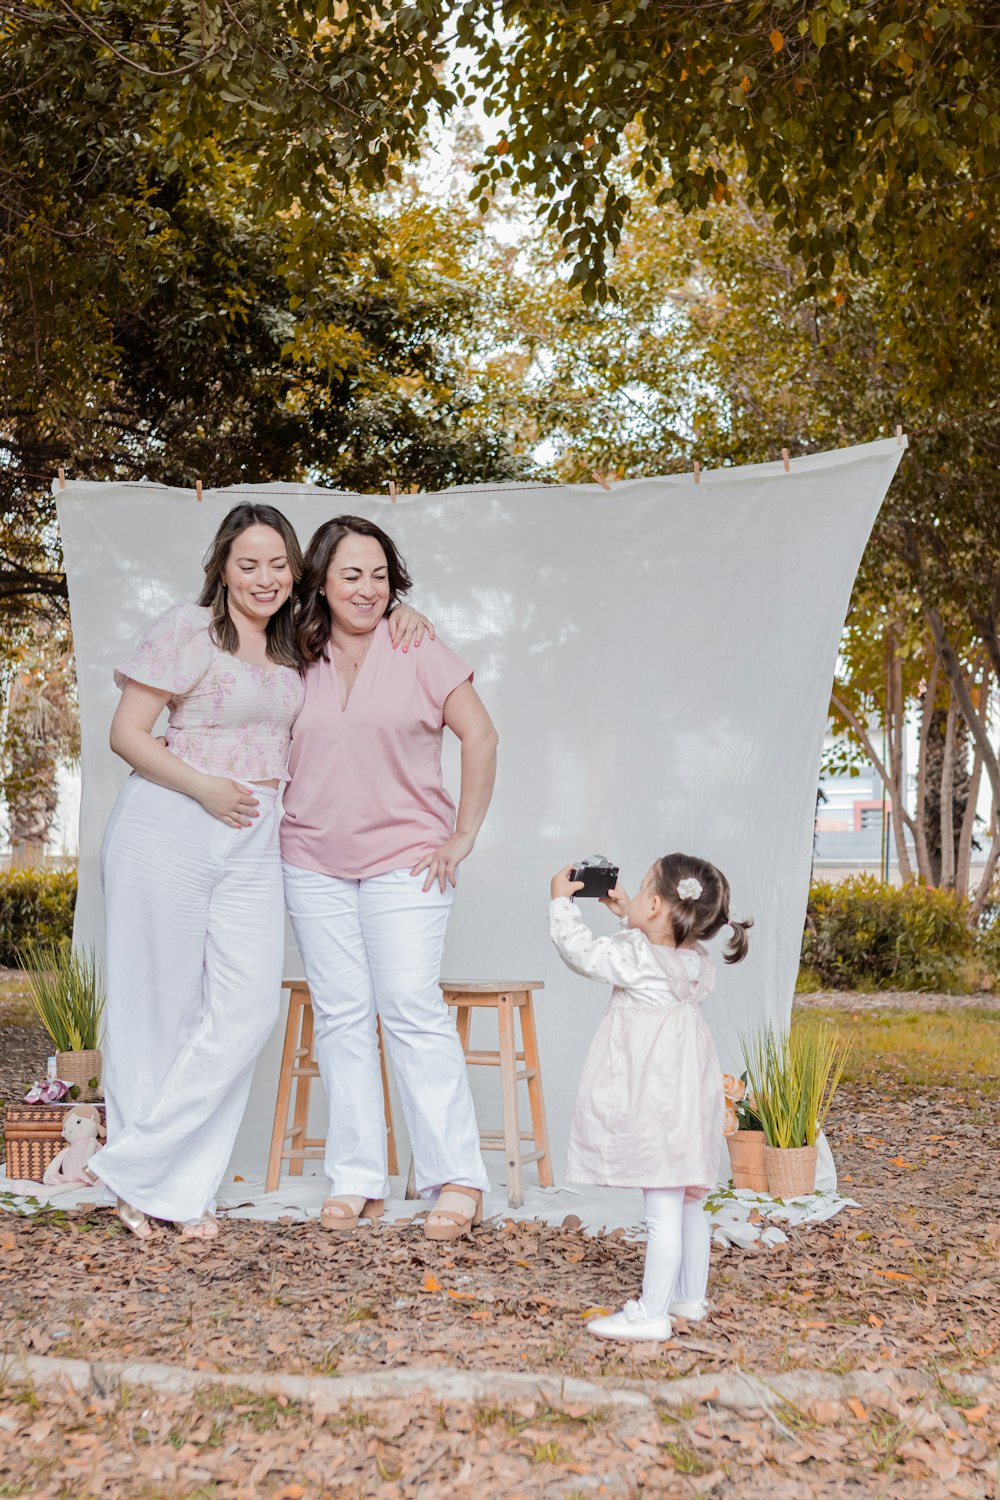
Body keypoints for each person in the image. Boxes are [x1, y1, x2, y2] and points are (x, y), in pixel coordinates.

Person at [93, 503, 429, 1241]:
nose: (264, 577)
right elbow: (126, 733)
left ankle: (140, 1167)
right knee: (159, 1008)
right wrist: (203, 786)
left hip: (254, 838)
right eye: (248, 563)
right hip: (169, 824)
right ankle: (168, 1191)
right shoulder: (188, 628)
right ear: (221, 566)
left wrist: (407, 615)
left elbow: (364, 617)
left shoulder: (297, 641)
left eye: (278, 563)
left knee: (246, 1011)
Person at [280, 515, 498, 1241]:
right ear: (321, 580)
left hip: (406, 857)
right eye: (352, 574)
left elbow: (481, 734)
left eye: (380, 575)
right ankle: (357, 1178)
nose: (368, 588)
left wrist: (462, 835)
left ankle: (456, 1178)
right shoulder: (291, 651)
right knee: (341, 1015)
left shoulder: (416, 644)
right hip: (310, 858)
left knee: (408, 1005)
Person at [549, 853, 752, 1340]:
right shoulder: (695, 962)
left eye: (642, 892)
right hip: (689, 1096)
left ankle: (652, 1314)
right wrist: (627, 912)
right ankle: (689, 1298)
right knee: (689, 1200)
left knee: (662, 1207)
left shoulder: (636, 957)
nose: (634, 897)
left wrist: (561, 903)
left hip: (656, 1097)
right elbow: (659, 946)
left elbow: (583, 954)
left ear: (660, 908)